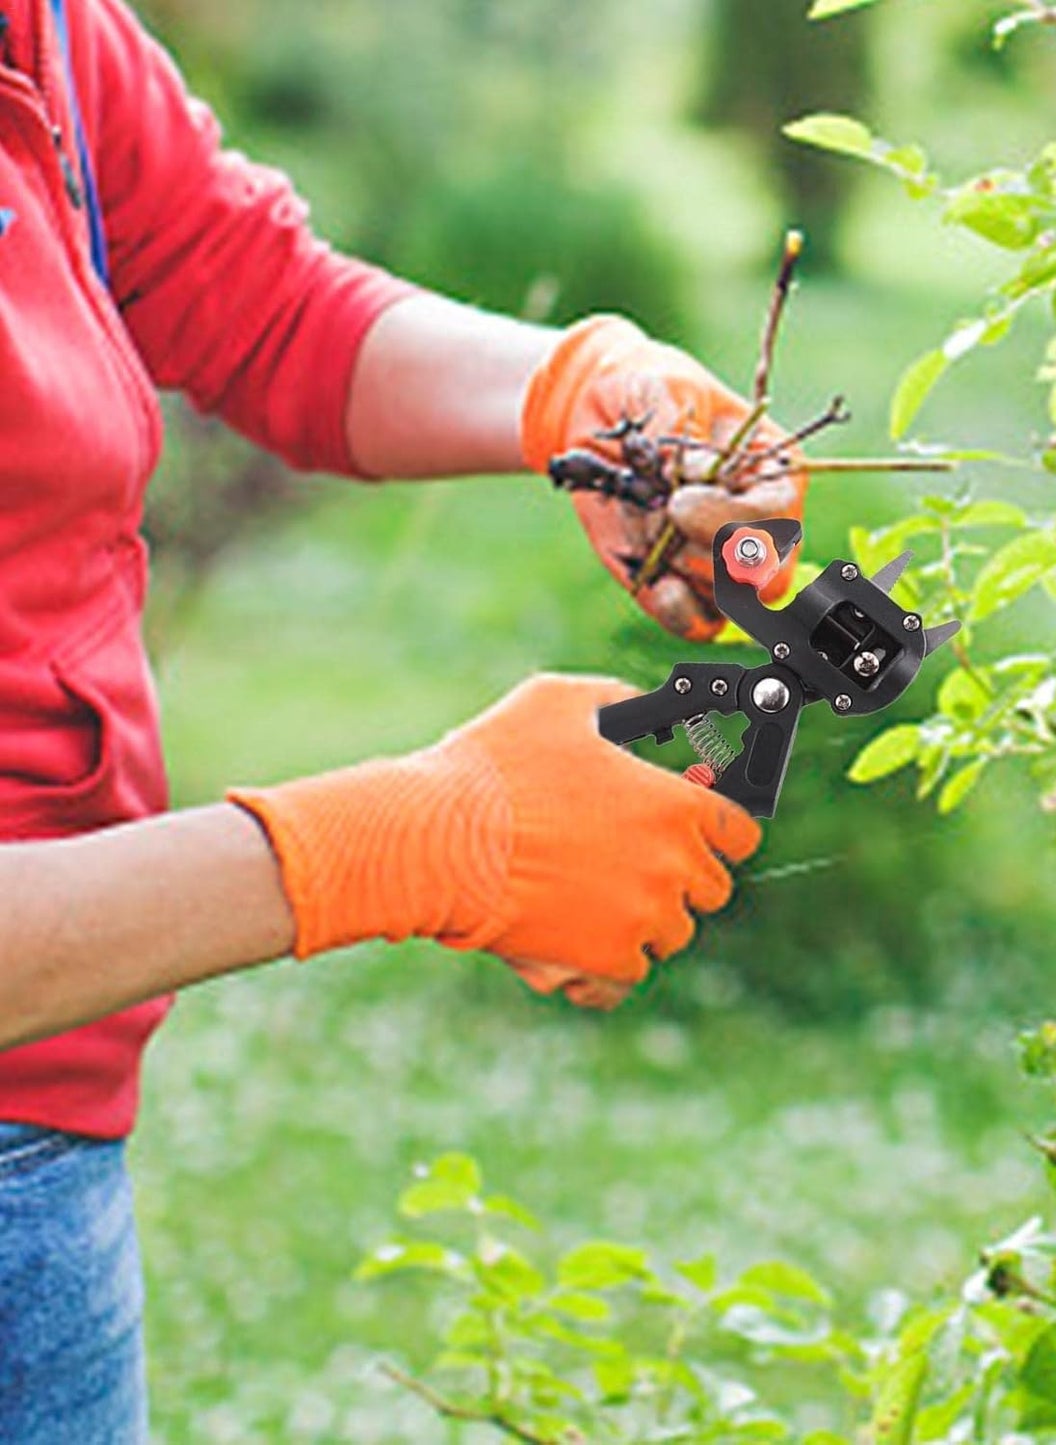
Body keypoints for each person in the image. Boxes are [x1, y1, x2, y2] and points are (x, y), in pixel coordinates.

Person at [0, 0, 806, 1438]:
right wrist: (399, 842)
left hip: (44, 1146)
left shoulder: (46, 28)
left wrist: (576, 389)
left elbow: (251, 290)